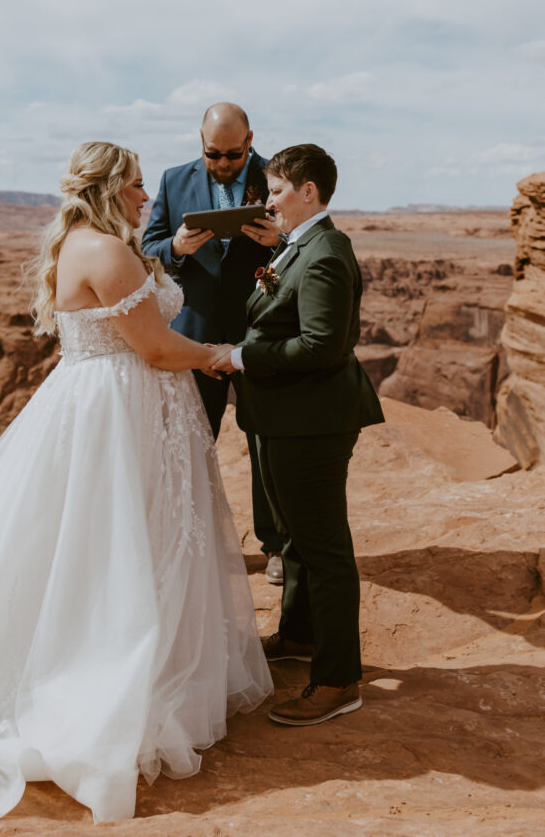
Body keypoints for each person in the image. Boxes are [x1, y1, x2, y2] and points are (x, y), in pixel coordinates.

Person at [0, 142, 272, 834]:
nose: (148, 195)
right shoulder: (107, 252)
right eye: (139, 185)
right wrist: (225, 356)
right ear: (110, 186)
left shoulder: (99, 243)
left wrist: (169, 251)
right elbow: (154, 347)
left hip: (119, 406)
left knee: (121, 540)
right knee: (115, 544)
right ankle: (101, 676)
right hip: (116, 414)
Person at [211, 143, 384, 727]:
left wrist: (240, 356)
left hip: (312, 424)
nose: (267, 201)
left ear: (308, 192)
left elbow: (320, 346)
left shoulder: (326, 251)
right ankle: (299, 637)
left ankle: (339, 680)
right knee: (295, 540)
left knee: (325, 548)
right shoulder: (296, 247)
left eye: (276, 190)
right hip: (284, 419)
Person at [142, 103, 284, 584]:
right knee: (188, 441)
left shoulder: (277, 177)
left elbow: (303, 246)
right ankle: (186, 545)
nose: (223, 164)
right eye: (213, 154)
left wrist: (278, 241)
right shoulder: (172, 179)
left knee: (266, 441)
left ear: (250, 140)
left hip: (257, 333)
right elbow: (147, 247)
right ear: (199, 142)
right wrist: (176, 249)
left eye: (233, 155)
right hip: (194, 335)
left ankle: (277, 546)